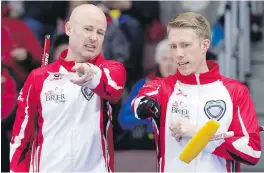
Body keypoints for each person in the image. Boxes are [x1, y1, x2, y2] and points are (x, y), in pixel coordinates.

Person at [131, 12, 261, 172]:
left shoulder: (235, 91)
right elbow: (139, 103)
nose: (178, 54)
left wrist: (199, 134)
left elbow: (252, 151)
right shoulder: (161, 86)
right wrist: (144, 106)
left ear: (204, 45)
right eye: (173, 46)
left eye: (185, 45)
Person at [10, 4, 126, 172]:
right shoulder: (38, 78)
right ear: (69, 28)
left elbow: (113, 88)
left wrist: (93, 76)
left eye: (100, 33)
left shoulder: (111, 70)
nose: (94, 37)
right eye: (88, 29)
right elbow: (21, 139)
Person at [118, 39, 177, 150]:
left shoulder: (187, 87)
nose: (168, 64)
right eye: (164, 59)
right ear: (158, 61)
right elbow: (123, 118)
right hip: (149, 149)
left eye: (172, 60)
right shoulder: (144, 85)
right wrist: (147, 119)